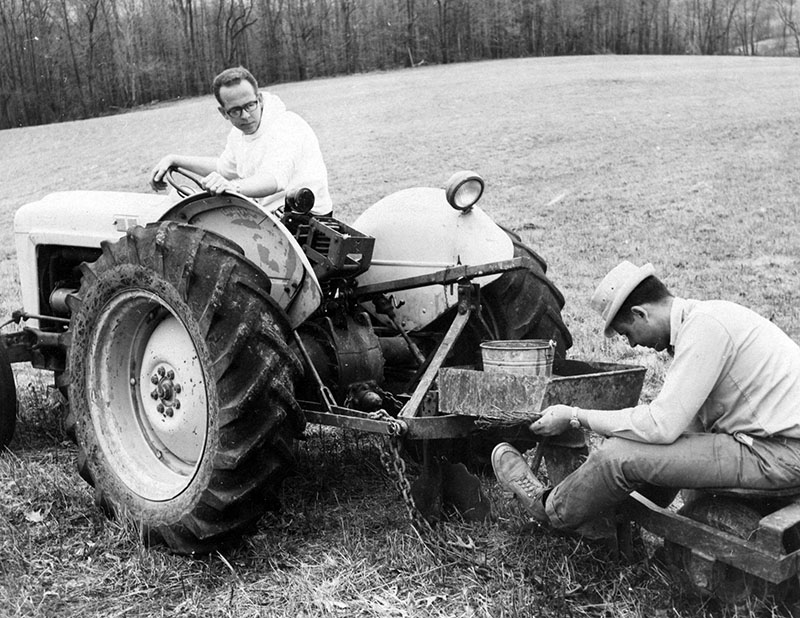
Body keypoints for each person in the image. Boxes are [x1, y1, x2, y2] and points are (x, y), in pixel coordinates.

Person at [492, 260, 800, 539]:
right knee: (647, 446)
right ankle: (611, 512)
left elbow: (662, 426)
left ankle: (549, 508)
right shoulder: (707, 318)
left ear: (641, 313)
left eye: (627, 333)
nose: (632, 344)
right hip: (774, 445)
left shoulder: (705, 328)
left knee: (616, 456)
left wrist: (575, 416)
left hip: (777, 454)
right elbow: (684, 424)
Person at [150, 66, 333, 216]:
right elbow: (223, 168)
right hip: (268, 215)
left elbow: (274, 179)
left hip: (307, 221)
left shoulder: (286, 125)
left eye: (250, 105)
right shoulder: (238, 135)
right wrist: (174, 159)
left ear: (259, 99)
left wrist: (233, 187)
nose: (245, 116)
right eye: (235, 110)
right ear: (224, 113)